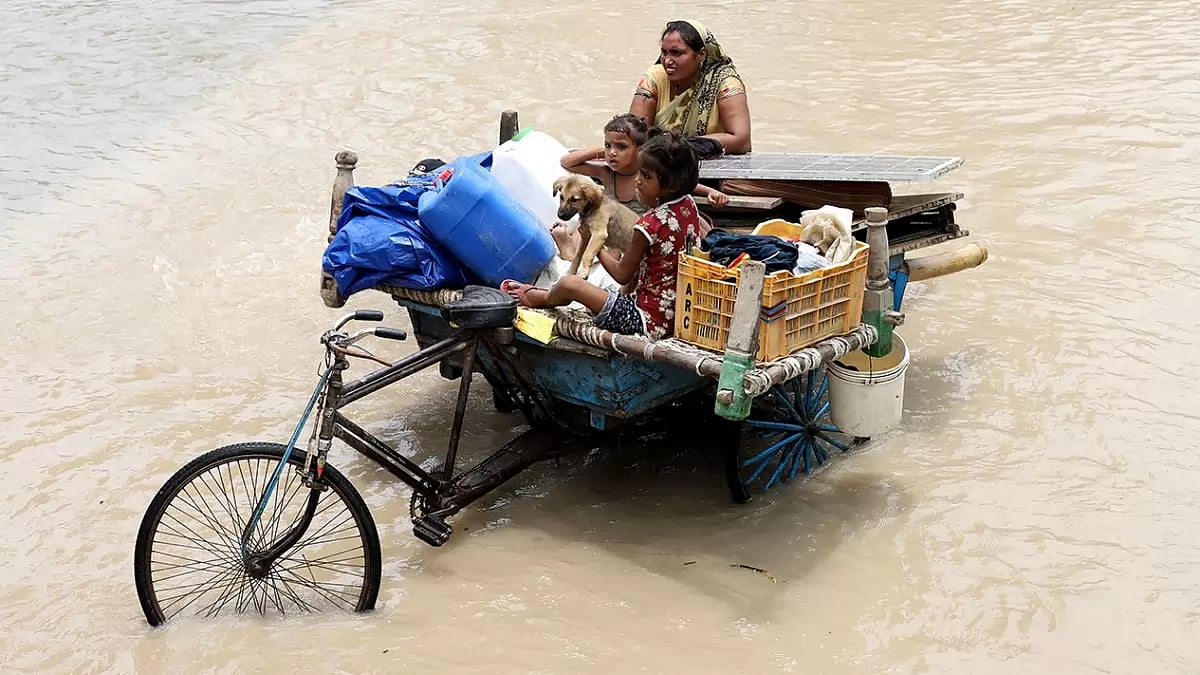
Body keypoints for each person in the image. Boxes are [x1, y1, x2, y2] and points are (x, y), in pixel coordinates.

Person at [503, 129, 704, 340]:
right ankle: (559, 294)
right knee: (600, 289)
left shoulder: (648, 225)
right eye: (639, 172)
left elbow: (621, 274)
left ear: (671, 186)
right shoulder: (688, 205)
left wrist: (596, 246)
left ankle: (543, 298)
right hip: (680, 311)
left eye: (646, 176)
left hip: (644, 320)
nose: (637, 180)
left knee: (570, 284)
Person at [629, 20, 751, 155]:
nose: (667, 61)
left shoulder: (725, 82)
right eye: (664, 52)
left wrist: (678, 146)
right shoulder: (656, 77)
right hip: (659, 162)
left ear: (701, 55)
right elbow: (633, 133)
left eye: (677, 53)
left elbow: (741, 140)